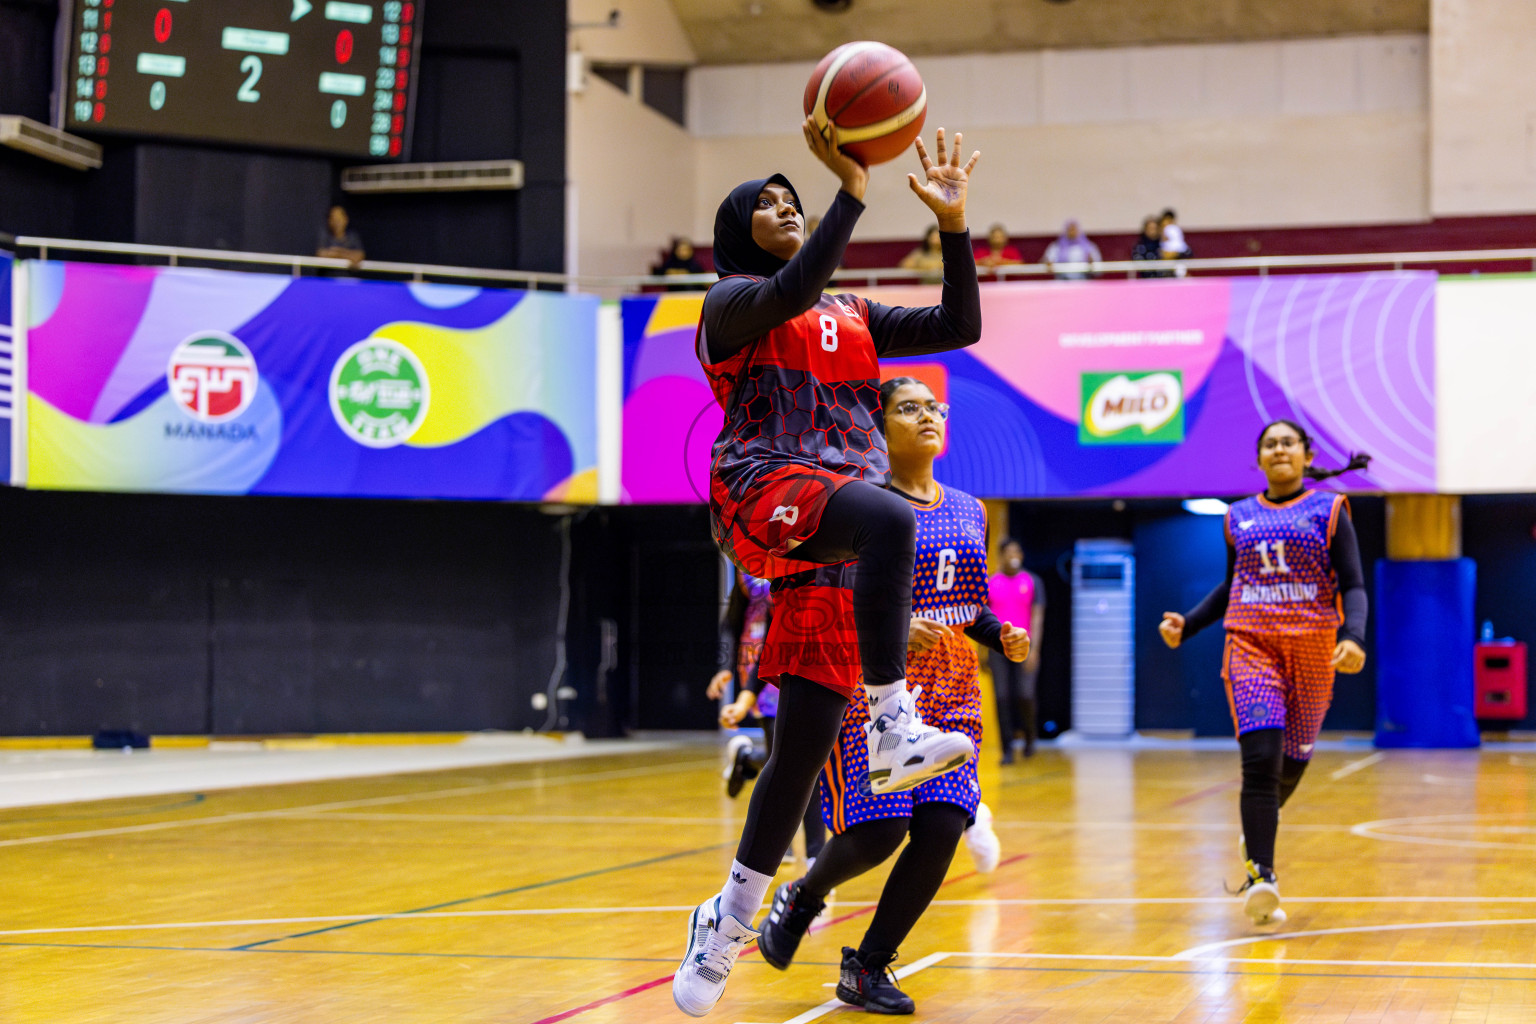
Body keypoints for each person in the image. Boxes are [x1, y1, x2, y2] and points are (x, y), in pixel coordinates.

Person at [672, 121, 985, 1017]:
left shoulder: (853, 317)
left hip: (835, 525)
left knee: (801, 749)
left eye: (791, 197)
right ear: (738, 234)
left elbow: (958, 324)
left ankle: (727, 919)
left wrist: (954, 229)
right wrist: (850, 192)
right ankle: (892, 722)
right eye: (766, 203)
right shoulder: (728, 302)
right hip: (762, 484)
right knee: (895, 515)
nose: (786, 205)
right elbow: (799, 280)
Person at [755, 377, 1028, 1014]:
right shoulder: (855, 508)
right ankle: (804, 894)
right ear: (875, 428)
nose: (929, 415)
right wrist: (895, 628)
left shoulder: (969, 508)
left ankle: (868, 966)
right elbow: (820, 600)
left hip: (954, 688)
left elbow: (970, 604)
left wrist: (1000, 635)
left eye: (935, 407)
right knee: (881, 831)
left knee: (941, 828)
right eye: (909, 408)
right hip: (869, 689)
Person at [1157, 420, 1371, 927]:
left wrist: (1354, 636)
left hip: (1315, 650)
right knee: (1260, 760)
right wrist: (1187, 623)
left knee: (1292, 763)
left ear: (1305, 454)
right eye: (1269, 444)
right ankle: (1263, 876)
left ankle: (1258, 830)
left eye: (1287, 443)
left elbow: (1356, 585)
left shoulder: (1331, 509)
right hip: (1251, 647)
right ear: (1259, 459)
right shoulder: (1238, 517)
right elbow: (1232, 585)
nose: (1278, 450)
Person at [707, 571, 827, 865]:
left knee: (790, 758)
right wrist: (726, 668)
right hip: (763, 669)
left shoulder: (807, 564)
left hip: (804, 659)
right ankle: (810, 852)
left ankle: (747, 757)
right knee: (796, 761)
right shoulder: (748, 572)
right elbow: (732, 621)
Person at [987, 537, 1046, 761]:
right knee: (1002, 697)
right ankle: (1007, 749)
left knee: (1025, 695)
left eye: (1017, 552)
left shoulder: (1032, 581)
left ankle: (1030, 739)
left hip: (1025, 646)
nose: (1013, 556)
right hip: (997, 648)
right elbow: (984, 619)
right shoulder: (991, 582)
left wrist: (1035, 650)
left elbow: (1038, 617)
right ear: (1001, 556)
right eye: (1009, 552)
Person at [1159, 207, 1190, 276]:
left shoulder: (1173, 229)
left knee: (1180, 270)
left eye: (1168, 220)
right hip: (1169, 256)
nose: (1166, 222)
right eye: (1165, 220)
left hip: (1178, 253)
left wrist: (1173, 253)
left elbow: (1177, 245)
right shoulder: (1163, 230)